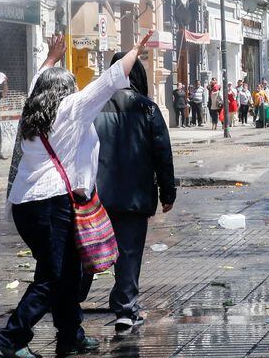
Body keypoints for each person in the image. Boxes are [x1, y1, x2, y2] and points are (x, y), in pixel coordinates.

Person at [0, 30, 153, 358]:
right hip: (51, 206)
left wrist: (51, 57)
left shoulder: (32, 112)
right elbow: (111, 79)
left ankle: (70, 335)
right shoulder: (72, 109)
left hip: (25, 206)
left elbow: (40, 79)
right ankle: (11, 339)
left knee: (66, 271)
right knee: (52, 276)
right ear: (66, 91)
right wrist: (135, 49)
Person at [88, 52, 176, 336]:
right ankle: (125, 310)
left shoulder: (92, 106)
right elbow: (162, 153)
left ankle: (69, 306)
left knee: (88, 251)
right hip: (134, 196)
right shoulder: (148, 108)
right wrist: (167, 192)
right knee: (128, 253)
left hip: (96, 196)